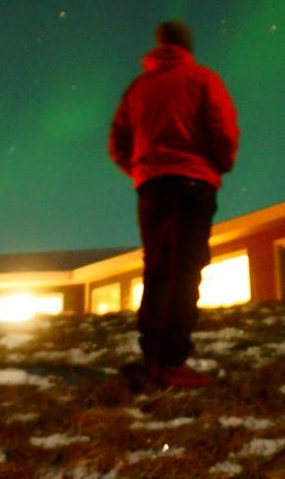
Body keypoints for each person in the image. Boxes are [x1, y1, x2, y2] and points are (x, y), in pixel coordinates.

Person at [109, 19, 240, 388]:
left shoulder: (138, 88)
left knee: (157, 268)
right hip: (194, 182)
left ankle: (153, 359)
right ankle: (171, 362)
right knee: (186, 269)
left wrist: (141, 169)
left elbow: (117, 141)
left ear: (159, 46)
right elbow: (223, 129)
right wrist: (218, 164)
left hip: (152, 186)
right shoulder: (203, 79)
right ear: (188, 46)